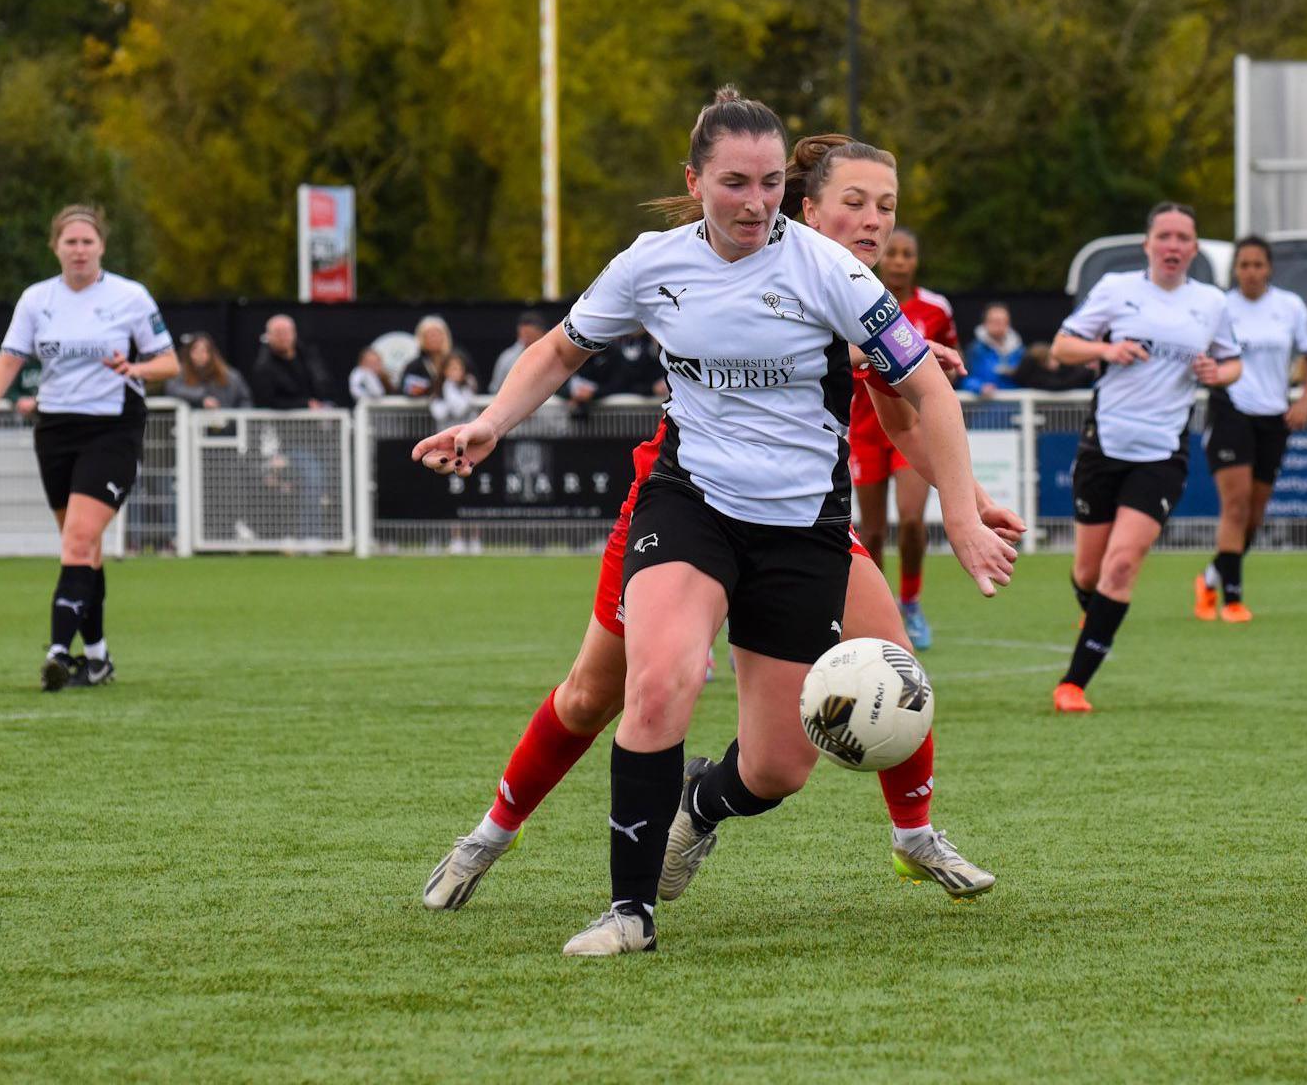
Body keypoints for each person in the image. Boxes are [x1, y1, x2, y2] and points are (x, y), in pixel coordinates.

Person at [412, 92, 1014, 957]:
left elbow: (921, 392)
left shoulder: (831, 273)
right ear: (695, 182)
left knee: (778, 767)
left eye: (771, 183)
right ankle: (627, 911)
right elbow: (557, 349)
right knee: (656, 681)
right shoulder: (652, 264)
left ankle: (722, 808)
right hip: (687, 503)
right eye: (735, 183)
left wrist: (960, 509)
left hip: (800, 528)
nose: (755, 202)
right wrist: (489, 423)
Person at [0, 204, 177, 690]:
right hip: (55, 429)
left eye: (88, 242)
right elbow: (9, 359)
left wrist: (137, 370)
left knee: (79, 540)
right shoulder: (37, 299)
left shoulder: (130, 296)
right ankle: (99, 657)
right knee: (82, 548)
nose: (79, 250)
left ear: (101, 246)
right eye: (71, 242)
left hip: (112, 429)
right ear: (55, 247)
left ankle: (60, 651)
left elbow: (168, 362)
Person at [1050, 202, 1241, 715]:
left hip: (1162, 452)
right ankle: (1097, 619)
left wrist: (1215, 373)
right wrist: (1108, 351)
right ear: (1148, 244)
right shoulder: (1117, 289)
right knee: (1088, 574)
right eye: (1165, 236)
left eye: (1184, 238)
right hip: (1104, 443)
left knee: (1122, 563)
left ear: (1195, 248)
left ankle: (1073, 685)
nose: (1174, 246)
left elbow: (1233, 364)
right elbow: (1063, 346)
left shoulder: (1211, 303)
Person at [1194, 236, 1307, 624]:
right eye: (1244, 265)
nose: (1251, 272)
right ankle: (1232, 600)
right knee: (1234, 506)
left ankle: (1211, 578)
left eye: (1258, 265)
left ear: (1269, 269)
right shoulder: (1219, 306)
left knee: (1254, 515)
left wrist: (1305, 399)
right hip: (1230, 410)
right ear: (1235, 269)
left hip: (1274, 416)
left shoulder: (1289, 306)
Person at [851, 227, 959, 650]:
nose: (897, 260)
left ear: (916, 260)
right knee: (872, 532)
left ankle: (911, 604)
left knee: (912, 519)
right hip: (863, 429)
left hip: (913, 426)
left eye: (906, 254)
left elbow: (949, 363)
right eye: (892, 253)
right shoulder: (855, 296)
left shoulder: (936, 308)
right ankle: (876, 613)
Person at [249, 314, 333, 409]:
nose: (282, 337)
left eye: (285, 332)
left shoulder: (308, 356)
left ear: (294, 333)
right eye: (278, 333)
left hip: (316, 416)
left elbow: (323, 383)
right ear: (268, 336)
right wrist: (304, 404)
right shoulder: (263, 366)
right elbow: (266, 401)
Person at [165, 332, 252, 409]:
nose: (200, 355)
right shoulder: (180, 373)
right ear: (188, 353)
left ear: (212, 353)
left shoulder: (230, 376)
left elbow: (245, 400)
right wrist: (202, 398)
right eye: (195, 351)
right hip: (193, 424)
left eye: (204, 351)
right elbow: (172, 389)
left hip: (226, 423)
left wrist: (234, 421)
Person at [960, 302, 1024, 396]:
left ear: (1008, 323)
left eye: (1002, 321)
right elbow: (963, 378)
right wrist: (980, 387)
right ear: (985, 323)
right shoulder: (974, 350)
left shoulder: (1020, 351)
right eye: (994, 321)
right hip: (985, 407)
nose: (999, 325)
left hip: (1017, 407)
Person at [399, 315, 460, 399]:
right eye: (429, 335)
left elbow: (474, 384)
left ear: (445, 336)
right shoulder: (414, 366)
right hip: (421, 411)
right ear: (421, 338)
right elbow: (404, 389)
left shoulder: (459, 360)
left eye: (437, 334)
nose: (433, 339)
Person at [490, 311, 550, 393]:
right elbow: (495, 388)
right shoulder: (507, 358)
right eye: (522, 336)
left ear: (543, 333)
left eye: (530, 336)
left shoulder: (557, 353)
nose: (526, 340)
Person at [428, 353, 477, 425]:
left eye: (460, 368)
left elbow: (460, 410)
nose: (457, 372)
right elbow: (439, 415)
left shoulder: (469, 384)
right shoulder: (438, 389)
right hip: (446, 432)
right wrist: (448, 386)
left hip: (466, 431)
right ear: (444, 371)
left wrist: (450, 388)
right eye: (454, 368)